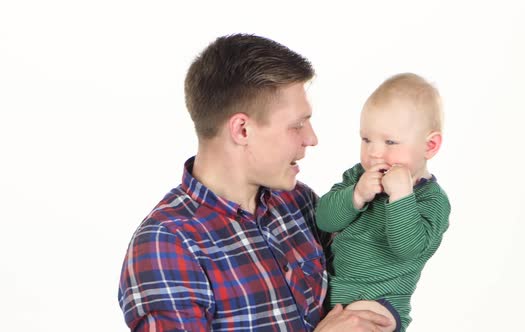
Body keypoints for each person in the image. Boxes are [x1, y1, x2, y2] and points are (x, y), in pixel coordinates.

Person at [118, 33, 393, 331]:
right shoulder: (167, 244)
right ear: (242, 130)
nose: (311, 139)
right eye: (297, 125)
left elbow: (372, 277)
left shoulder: (298, 202)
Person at [316, 73, 451, 332]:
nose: (374, 152)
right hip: (330, 291)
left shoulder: (432, 200)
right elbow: (324, 219)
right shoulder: (358, 176)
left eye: (390, 142)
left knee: (360, 323)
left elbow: (408, 249)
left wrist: (401, 198)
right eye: (366, 139)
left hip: (378, 301)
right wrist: (355, 195)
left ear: (430, 145)